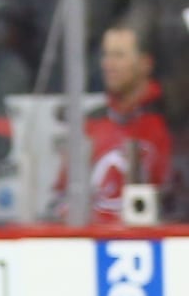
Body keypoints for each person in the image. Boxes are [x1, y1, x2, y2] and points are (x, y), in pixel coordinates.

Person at [52, 23, 174, 223]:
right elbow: (62, 196)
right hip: (93, 241)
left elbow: (176, 199)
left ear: (145, 63)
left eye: (119, 55)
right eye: (106, 55)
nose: (108, 64)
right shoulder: (92, 123)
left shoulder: (168, 121)